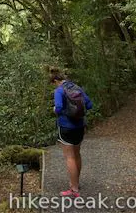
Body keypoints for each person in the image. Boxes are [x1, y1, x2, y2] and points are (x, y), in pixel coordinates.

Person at [50, 67, 93, 198]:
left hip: (66, 127)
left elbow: (58, 108)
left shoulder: (59, 91)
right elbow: (89, 105)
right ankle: (76, 183)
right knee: (77, 154)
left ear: (56, 80)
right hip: (80, 126)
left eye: (53, 83)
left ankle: (74, 190)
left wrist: (55, 110)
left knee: (70, 157)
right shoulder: (77, 88)